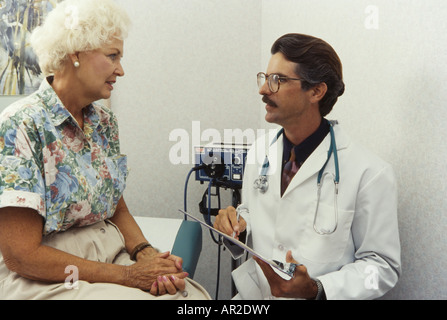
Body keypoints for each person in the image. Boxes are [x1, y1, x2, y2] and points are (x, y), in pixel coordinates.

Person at [0, 0, 210, 300]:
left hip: (108, 253)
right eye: (112, 56)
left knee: (190, 298)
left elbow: (115, 205)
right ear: (75, 54)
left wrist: (146, 253)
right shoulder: (19, 125)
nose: (120, 70)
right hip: (47, 273)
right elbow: (22, 256)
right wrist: (128, 276)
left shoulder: (103, 122)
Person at [214, 33, 401, 300]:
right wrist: (238, 225)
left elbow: (382, 267)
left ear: (316, 91)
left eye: (277, 80)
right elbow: (256, 211)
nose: (263, 90)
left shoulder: (370, 173)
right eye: (265, 78)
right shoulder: (260, 151)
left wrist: (317, 289)